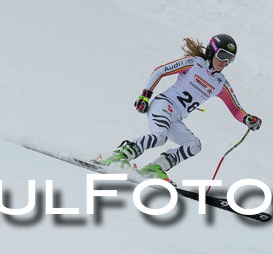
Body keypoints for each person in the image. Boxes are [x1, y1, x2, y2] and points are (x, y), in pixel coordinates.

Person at [101, 34, 262, 180]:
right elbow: (160, 71)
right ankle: (119, 155)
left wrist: (247, 119)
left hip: (176, 118)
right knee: (159, 136)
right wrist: (145, 95)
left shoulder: (220, 83)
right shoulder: (194, 63)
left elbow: (235, 109)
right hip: (163, 104)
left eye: (230, 59)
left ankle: (155, 168)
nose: (224, 62)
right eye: (222, 56)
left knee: (194, 145)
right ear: (211, 52)